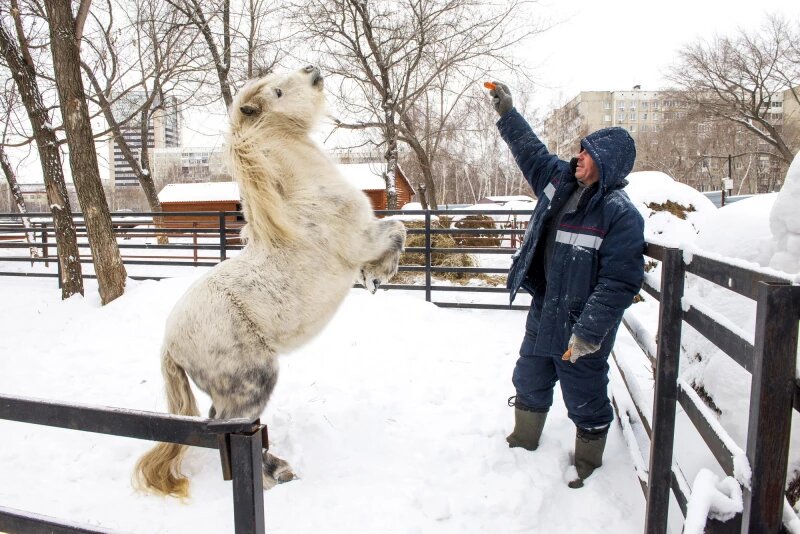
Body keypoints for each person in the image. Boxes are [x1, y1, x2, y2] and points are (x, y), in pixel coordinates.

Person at [489, 82, 645, 488]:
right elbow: (531, 153)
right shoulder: (560, 182)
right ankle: (524, 440)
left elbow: (620, 281)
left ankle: (589, 464)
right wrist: (508, 115)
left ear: (607, 162)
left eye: (587, 152)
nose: (578, 156)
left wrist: (589, 333)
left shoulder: (619, 214)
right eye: (580, 148)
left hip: (580, 324)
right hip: (546, 308)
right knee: (529, 376)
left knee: (585, 394)